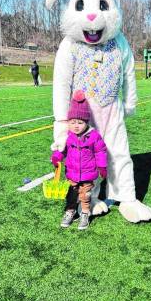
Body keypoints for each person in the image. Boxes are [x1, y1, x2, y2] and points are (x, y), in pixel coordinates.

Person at [50, 90, 108, 230]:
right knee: (71, 194)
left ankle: (85, 213)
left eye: (80, 122)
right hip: (72, 174)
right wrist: (57, 156)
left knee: (85, 195)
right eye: (73, 122)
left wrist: (102, 166)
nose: (76, 126)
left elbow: (100, 151)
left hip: (88, 175)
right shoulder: (68, 137)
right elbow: (62, 150)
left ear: (86, 122)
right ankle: (70, 212)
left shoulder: (94, 136)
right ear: (69, 122)